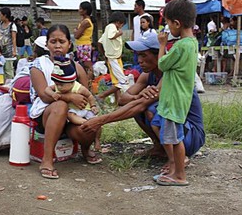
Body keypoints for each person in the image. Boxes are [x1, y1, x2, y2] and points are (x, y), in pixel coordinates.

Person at [81, 32, 205, 163]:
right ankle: (160, 147)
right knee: (141, 109)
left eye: (144, 55)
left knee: (150, 110)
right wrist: (138, 96)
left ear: (159, 55)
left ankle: (177, 158)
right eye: (138, 55)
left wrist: (100, 121)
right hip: (176, 129)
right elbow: (123, 99)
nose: (139, 60)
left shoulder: (171, 75)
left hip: (192, 134)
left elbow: (140, 105)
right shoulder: (147, 75)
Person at [30, 25, 100, 179]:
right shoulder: (38, 65)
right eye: (53, 41)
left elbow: (86, 93)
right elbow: (44, 96)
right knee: (60, 105)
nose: (57, 45)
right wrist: (68, 97)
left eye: (61, 41)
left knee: (89, 126)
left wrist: (91, 106)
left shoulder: (75, 66)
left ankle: (86, 148)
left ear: (69, 43)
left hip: (73, 115)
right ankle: (47, 160)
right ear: (47, 44)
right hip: (48, 114)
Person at [155, 0, 198, 186]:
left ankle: (180, 176)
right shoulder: (192, 43)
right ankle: (174, 171)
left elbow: (162, 64)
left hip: (174, 100)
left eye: (168, 24)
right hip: (179, 98)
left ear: (177, 23)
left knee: (175, 139)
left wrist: (162, 45)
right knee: (173, 137)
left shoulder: (180, 46)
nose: (167, 28)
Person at [45, 56, 99, 125]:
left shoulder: (79, 88)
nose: (58, 87)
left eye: (61, 85)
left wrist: (93, 105)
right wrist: (52, 94)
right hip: (73, 110)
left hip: (85, 108)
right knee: (70, 115)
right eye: (56, 84)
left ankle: (91, 123)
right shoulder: (57, 86)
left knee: (93, 119)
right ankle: (84, 123)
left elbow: (89, 95)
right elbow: (47, 89)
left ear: (71, 82)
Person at [97, 11, 129, 102]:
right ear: (118, 22)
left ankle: (118, 100)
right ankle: (102, 95)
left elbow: (100, 42)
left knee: (117, 81)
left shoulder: (108, 29)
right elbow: (111, 36)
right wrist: (120, 33)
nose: (121, 27)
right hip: (113, 58)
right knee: (122, 81)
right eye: (122, 25)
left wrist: (104, 54)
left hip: (114, 57)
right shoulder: (111, 27)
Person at [74, 1, 94, 81]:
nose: (79, 10)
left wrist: (76, 31)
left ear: (85, 11)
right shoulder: (83, 21)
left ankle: (89, 82)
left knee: (87, 65)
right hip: (81, 45)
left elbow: (76, 35)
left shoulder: (86, 22)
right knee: (83, 64)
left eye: (80, 9)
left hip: (84, 45)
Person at [0, 7, 17, 79]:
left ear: (5, 15)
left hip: (9, 50)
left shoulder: (12, 25)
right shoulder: (0, 24)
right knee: (1, 69)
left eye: (0, 15)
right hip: (1, 49)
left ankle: (10, 85)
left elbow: (14, 38)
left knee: (9, 70)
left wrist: (14, 50)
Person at [132, 0, 151, 66]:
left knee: (144, 63)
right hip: (135, 45)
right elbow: (134, 31)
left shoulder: (148, 16)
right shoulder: (135, 18)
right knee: (136, 63)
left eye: (135, 6)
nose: (134, 8)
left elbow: (150, 30)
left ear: (140, 7)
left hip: (144, 45)